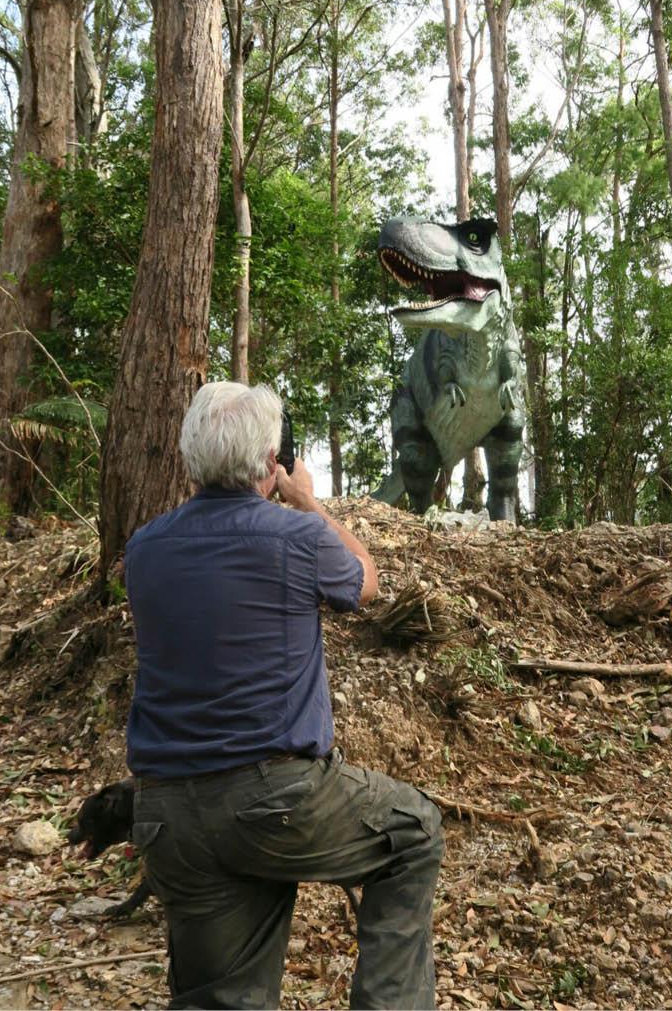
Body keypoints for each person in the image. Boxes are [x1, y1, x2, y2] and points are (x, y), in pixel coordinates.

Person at [125, 381, 445, 1010]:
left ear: (191, 455)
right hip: (277, 802)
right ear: (271, 460)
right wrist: (308, 504)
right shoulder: (297, 538)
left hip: (168, 814)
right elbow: (367, 582)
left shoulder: (145, 549)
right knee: (413, 833)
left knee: (221, 996)